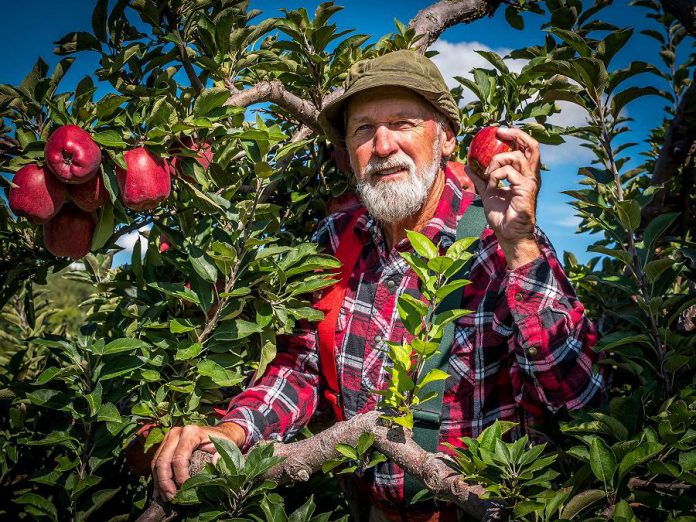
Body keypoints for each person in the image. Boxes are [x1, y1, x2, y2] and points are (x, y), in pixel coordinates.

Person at [151, 50, 604, 520]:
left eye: (404, 123)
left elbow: (578, 400)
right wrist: (233, 432)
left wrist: (522, 247)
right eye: (363, 129)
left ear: (446, 138)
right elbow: (300, 367)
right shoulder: (335, 240)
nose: (383, 145)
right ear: (348, 152)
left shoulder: (499, 240)